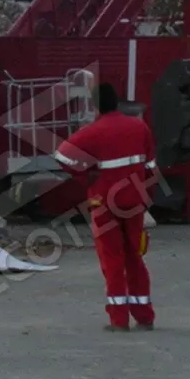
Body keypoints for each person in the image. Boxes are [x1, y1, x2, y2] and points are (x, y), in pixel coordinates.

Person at [54, 82, 157, 330]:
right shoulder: (139, 126)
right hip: (133, 202)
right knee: (135, 256)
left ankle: (118, 319)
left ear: (94, 105)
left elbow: (62, 155)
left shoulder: (93, 131)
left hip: (105, 202)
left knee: (112, 258)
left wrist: (85, 176)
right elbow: (151, 167)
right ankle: (145, 316)